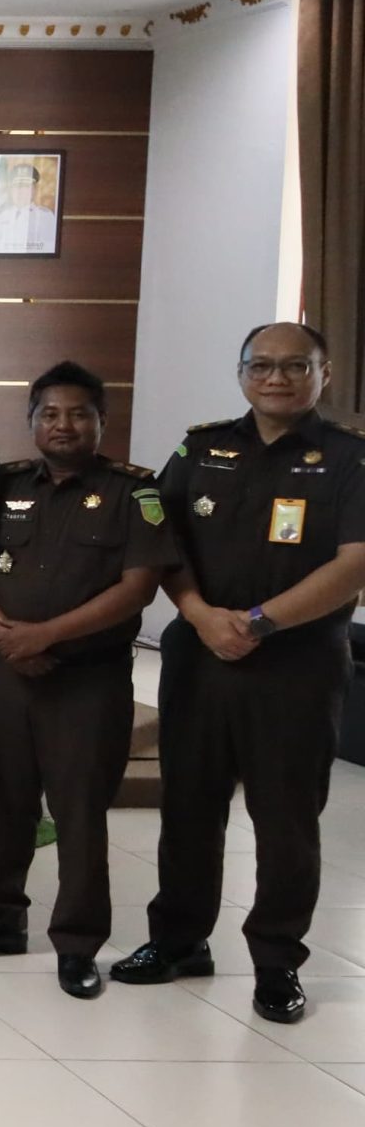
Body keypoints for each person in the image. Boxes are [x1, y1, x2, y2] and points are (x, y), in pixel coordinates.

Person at [114, 322, 365, 1025]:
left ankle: (277, 960)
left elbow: (354, 562)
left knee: (286, 818)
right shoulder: (203, 447)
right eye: (262, 365)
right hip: (199, 657)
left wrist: (255, 623)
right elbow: (161, 536)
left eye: (295, 366)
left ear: (324, 371)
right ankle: (178, 940)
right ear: (241, 371)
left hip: (296, 665)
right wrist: (197, 612)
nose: (277, 377)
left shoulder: (348, 458)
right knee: (188, 805)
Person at [0, 362, 176, 999]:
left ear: (102, 422)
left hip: (86, 679)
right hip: (5, 670)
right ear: (32, 421)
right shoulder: (3, 485)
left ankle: (77, 944)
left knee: (79, 815)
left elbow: (138, 588)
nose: (64, 425)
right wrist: (3, 634)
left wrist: (45, 636)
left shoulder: (136, 492)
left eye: (79, 414)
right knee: (2, 801)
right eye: (50, 413)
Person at [0, 161, 58, 254]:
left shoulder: (45, 217)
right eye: (17, 186)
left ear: (34, 190)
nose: (20, 191)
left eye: (25, 186)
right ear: (11, 189)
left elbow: (48, 250)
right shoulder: (0, 215)